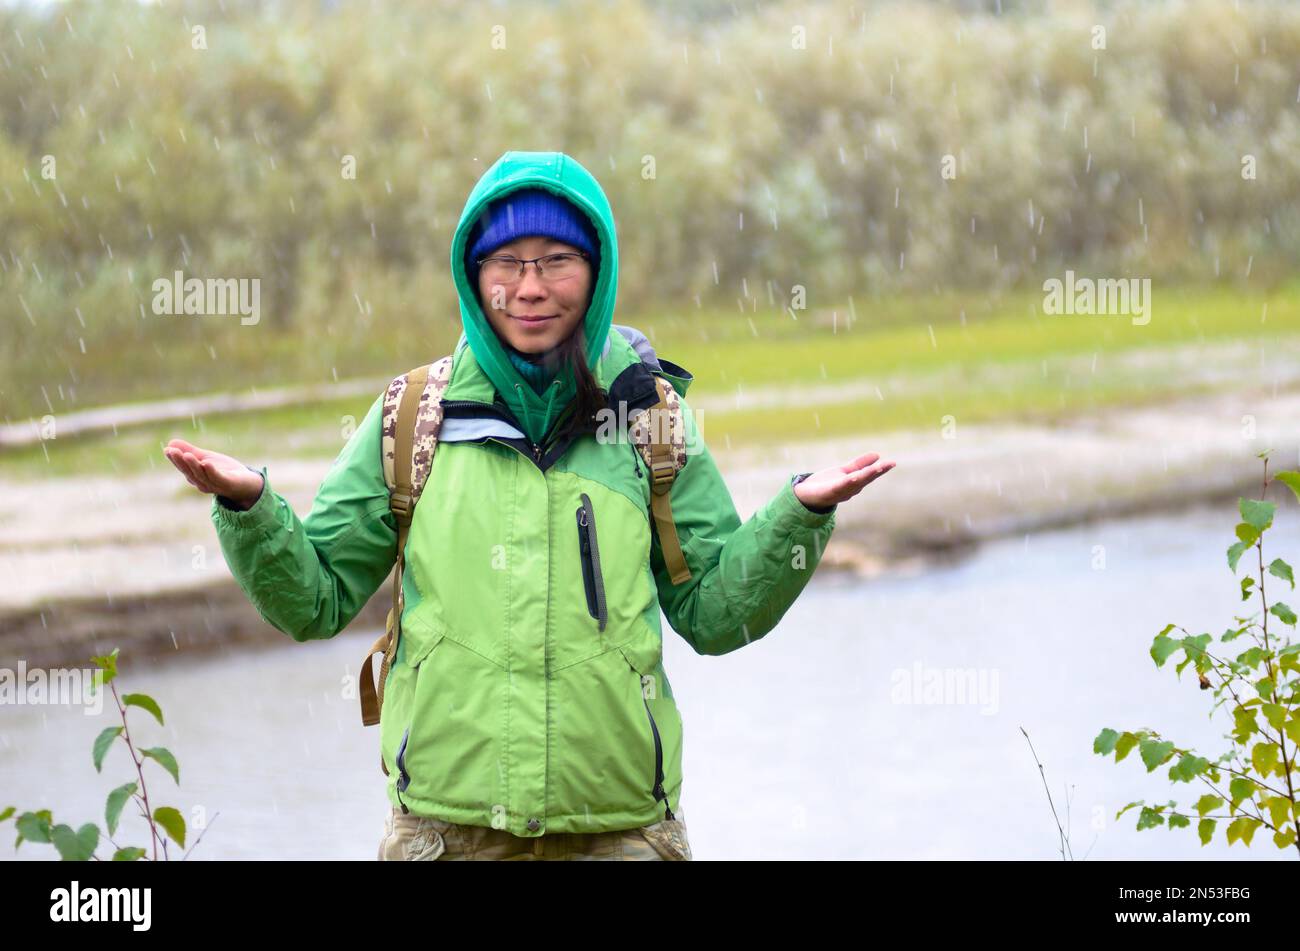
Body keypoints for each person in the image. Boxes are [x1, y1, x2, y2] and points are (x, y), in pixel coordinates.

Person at [163, 150, 896, 860]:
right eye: (506, 263)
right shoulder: (412, 414)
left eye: (556, 260)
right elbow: (314, 600)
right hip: (446, 838)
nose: (530, 287)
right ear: (473, 274)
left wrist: (797, 515)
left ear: (597, 271)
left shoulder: (649, 418)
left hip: (623, 835)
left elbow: (713, 612)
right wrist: (251, 506)